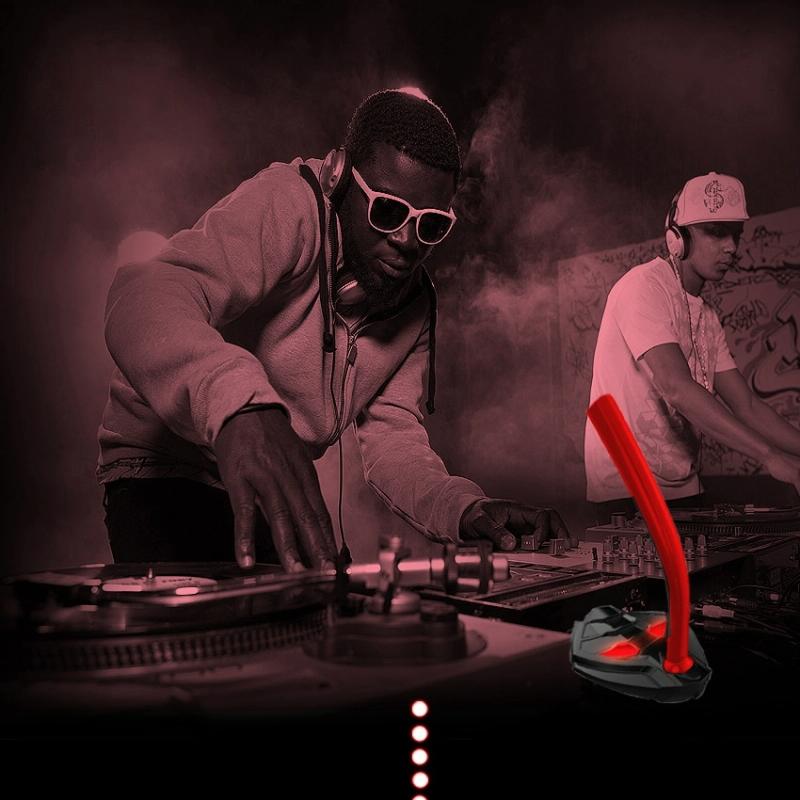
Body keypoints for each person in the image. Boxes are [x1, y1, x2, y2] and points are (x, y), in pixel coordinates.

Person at [99, 88, 569, 571]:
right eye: (388, 211)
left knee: (330, 606)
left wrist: (463, 508)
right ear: (340, 176)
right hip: (165, 469)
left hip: (272, 481)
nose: (406, 240)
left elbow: (393, 442)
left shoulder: (413, 302)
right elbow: (142, 294)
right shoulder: (289, 203)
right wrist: (238, 404)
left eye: (430, 225)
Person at [585, 172, 800, 524]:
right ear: (678, 238)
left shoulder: (708, 317)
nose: (731, 247)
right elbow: (677, 387)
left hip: (684, 487)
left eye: (736, 234)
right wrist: (770, 456)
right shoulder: (643, 286)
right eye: (716, 232)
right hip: (627, 489)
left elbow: (746, 405)